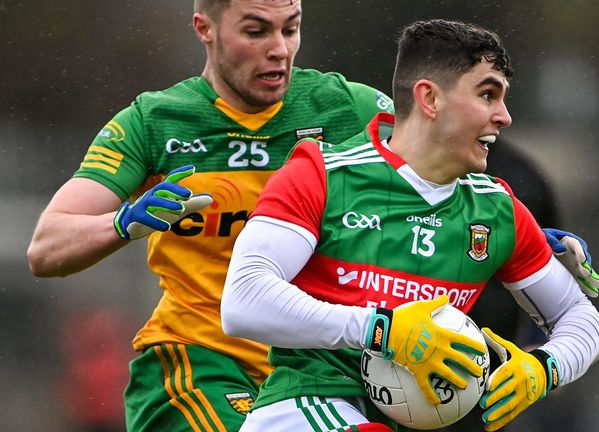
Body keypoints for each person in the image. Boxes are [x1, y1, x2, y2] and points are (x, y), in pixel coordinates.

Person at [26, 0, 397, 430]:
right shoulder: (155, 122)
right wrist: (123, 223)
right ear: (205, 28)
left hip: (316, 370)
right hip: (198, 362)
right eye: (256, 31)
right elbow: (46, 246)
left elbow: (450, 168)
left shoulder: (348, 110)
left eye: (290, 29)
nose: (279, 49)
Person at [222, 18, 599, 432]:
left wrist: (544, 369)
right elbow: (243, 301)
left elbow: (580, 318)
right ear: (429, 99)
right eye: (487, 94)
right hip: (303, 408)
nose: (504, 117)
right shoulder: (322, 174)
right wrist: (380, 329)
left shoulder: (497, 211)